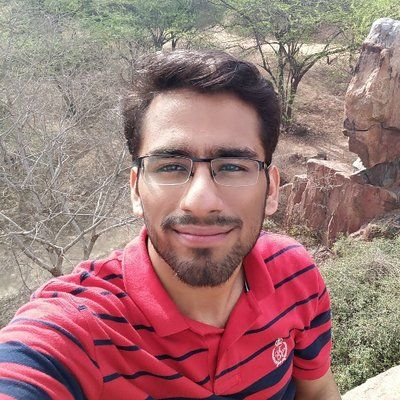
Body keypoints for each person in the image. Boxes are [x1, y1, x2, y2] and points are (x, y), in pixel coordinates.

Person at [0, 50, 341, 399]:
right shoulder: (82, 327)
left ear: (271, 190)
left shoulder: (293, 273)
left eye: (233, 166)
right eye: (171, 166)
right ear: (136, 189)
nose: (201, 201)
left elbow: (317, 391)